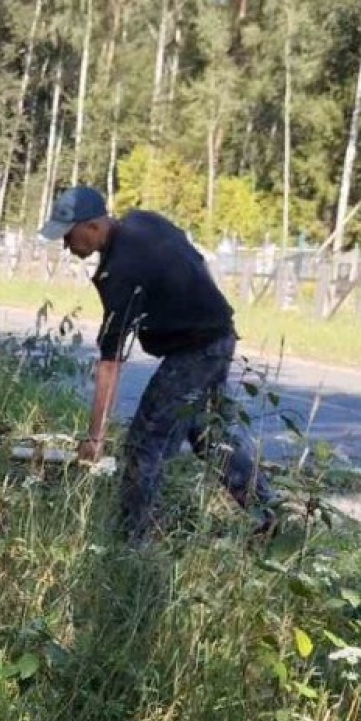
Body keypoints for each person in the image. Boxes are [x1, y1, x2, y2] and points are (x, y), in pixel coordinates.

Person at [38, 185, 272, 541]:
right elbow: (197, 261)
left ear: (93, 227)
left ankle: (130, 542)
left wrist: (94, 437)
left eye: (68, 236)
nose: (66, 246)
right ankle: (272, 519)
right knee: (210, 436)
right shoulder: (143, 221)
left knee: (145, 444)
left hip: (195, 349)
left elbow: (110, 364)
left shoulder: (120, 272)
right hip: (219, 334)